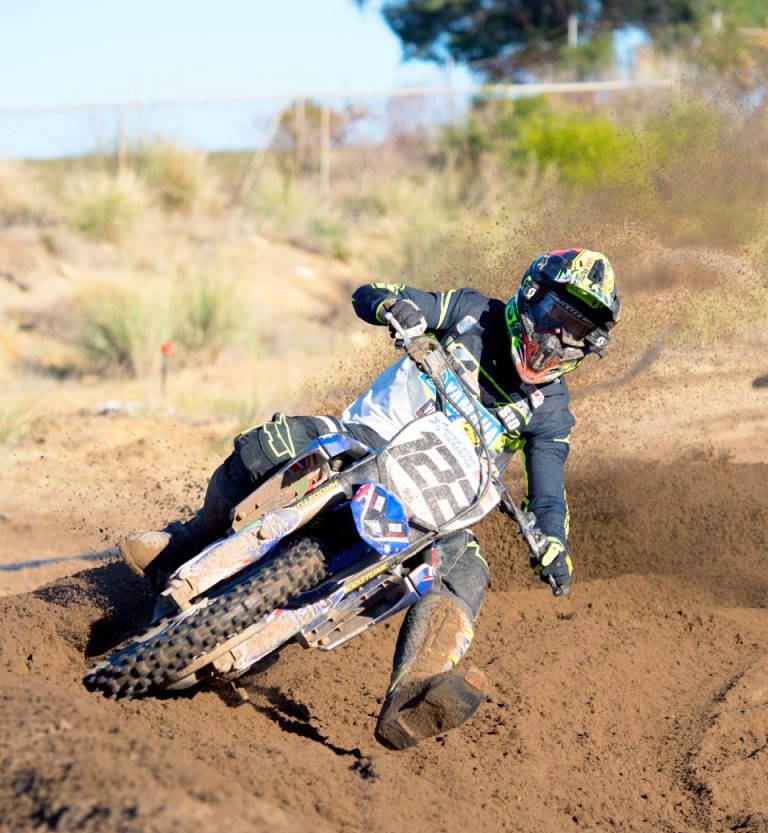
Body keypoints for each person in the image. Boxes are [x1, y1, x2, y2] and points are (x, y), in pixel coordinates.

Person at [119, 248, 620, 749]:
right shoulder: (471, 312)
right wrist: (392, 306)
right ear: (530, 297)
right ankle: (185, 542)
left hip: (435, 513)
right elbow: (372, 294)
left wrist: (553, 543)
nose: (559, 337)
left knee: (468, 568)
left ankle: (412, 695)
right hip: (363, 439)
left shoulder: (551, 412)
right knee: (271, 443)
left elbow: (548, 493)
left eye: (577, 331)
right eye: (556, 317)